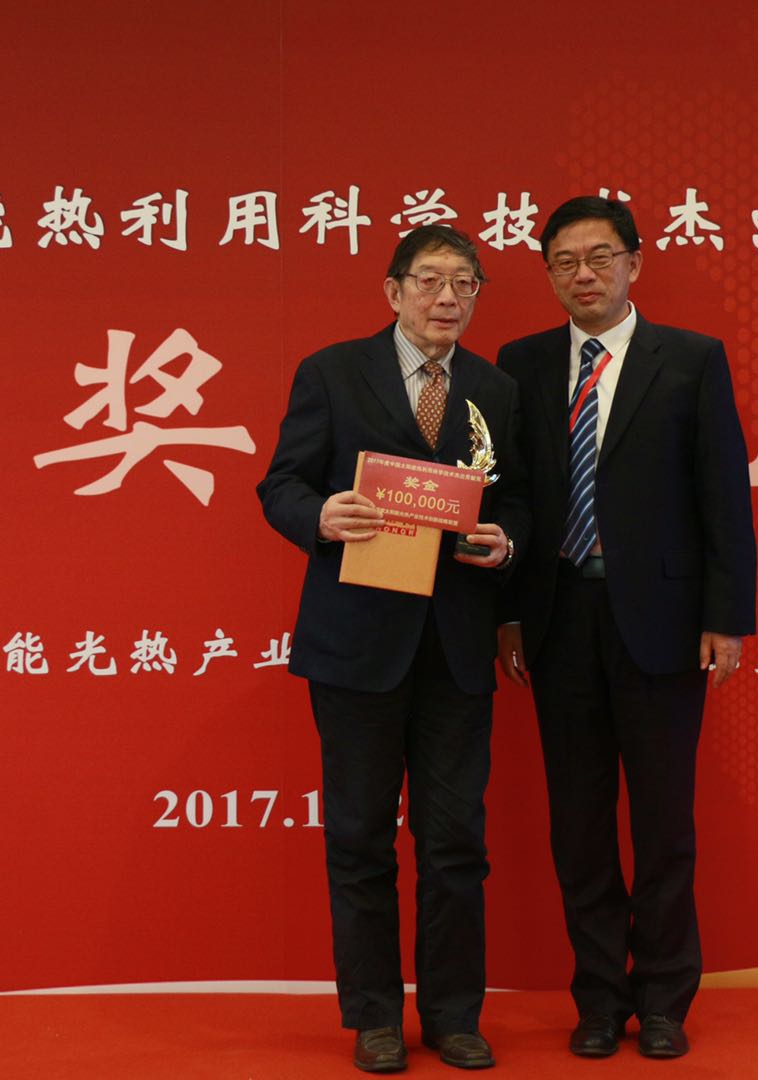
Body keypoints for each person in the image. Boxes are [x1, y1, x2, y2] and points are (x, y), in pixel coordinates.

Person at [258, 224, 529, 1073]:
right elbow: (280, 483)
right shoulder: (333, 372)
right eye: (429, 280)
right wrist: (318, 516)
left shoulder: (495, 389)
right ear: (393, 290)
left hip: (456, 648)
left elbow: (520, 501)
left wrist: (507, 543)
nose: (447, 298)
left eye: (464, 283)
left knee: (456, 845)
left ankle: (453, 1016)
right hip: (357, 646)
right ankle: (374, 1016)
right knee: (360, 839)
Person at [495, 196, 756, 1060]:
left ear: (635, 263)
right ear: (548, 274)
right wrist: (508, 612)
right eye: (565, 261)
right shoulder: (523, 364)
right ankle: (600, 998)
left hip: (664, 623)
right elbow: (513, 497)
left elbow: (724, 496)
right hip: (559, 616)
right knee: (579, 824)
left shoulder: (691, 360)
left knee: (663, 822)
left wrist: (726, 618)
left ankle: (666, 997)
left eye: (600, 257)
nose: (585, 274)